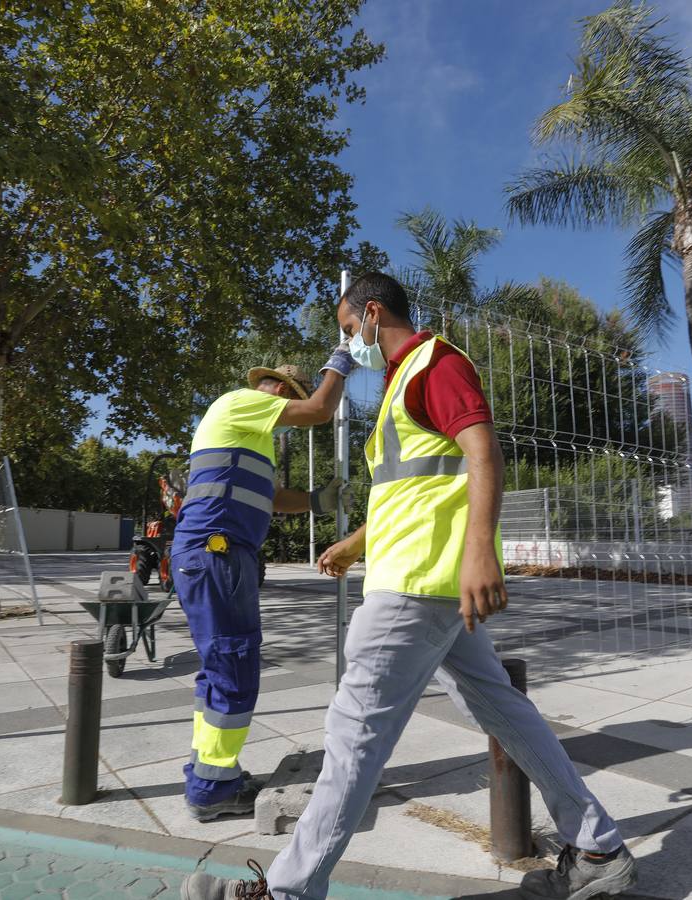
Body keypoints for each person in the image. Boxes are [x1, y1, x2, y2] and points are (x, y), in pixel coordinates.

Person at [182, 273, 636, 900]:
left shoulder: (433, 363)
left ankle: (285, 893)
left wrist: (481, 552)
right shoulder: (402, 382)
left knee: (352, 739)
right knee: (505, 711)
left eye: (348, 331)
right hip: (426, 580)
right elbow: (416, 490)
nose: (351, 342)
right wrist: (354, 542)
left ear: (371, 314)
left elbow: (483, 452)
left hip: (417, 587)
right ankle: (597, 848)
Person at [172, 350, 355, 823]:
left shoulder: (253, 437)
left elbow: (271, 499)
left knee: (218, 668)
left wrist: (317, 500)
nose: (288, 422)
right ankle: (212, 788)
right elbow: (320, 410)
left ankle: (210, 770)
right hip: (217, 552)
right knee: (234, 666)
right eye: (288, 405)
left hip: (217, 554)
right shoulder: (240, 403)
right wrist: (341, 361)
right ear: (276, 390)